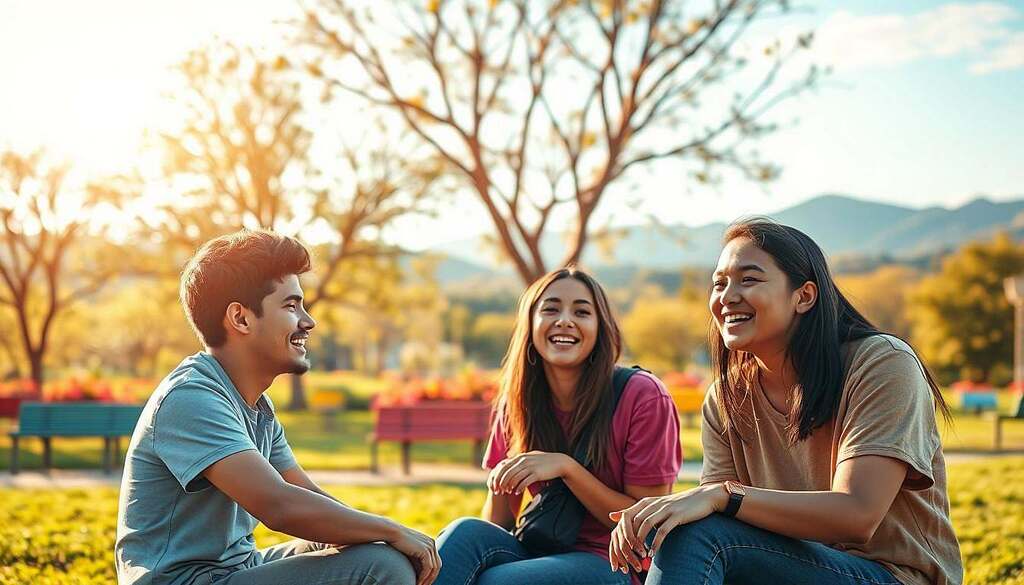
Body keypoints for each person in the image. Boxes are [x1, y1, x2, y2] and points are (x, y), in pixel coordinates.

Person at [609, 219, 963, 585]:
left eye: (749, 279)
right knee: (693, 529)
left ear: (804, 296)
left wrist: (722, 496)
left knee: (701, 535)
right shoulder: (725, 398)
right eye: (719, 283)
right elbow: (717, 514)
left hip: (890, 575)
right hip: (784, 566)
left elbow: (858, 513)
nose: (727, 296)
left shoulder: (882, 363)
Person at [115, 230, 439, 585]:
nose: (308, 321)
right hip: (182, 581)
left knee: (355, 544)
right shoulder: (191, 397)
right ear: (240, 318)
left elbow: (305, 494)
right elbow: (278, 505)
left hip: (235, 569)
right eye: (290, 305)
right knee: (380, 566)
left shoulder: (256, 405)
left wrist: (383, 534)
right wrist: (391, 532)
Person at [435, 267, 682, 585]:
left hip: (610, 562)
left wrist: (567, 469)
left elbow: (644, 520)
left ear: (600, 327)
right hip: (538, 547)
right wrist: (501, 481)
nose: (565, 320)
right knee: (463, 533)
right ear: (531, 323)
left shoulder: (643, 395)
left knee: (497, 581)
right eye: (551, 308)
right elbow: (500, 522)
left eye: (581, 311)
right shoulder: (517, 400)